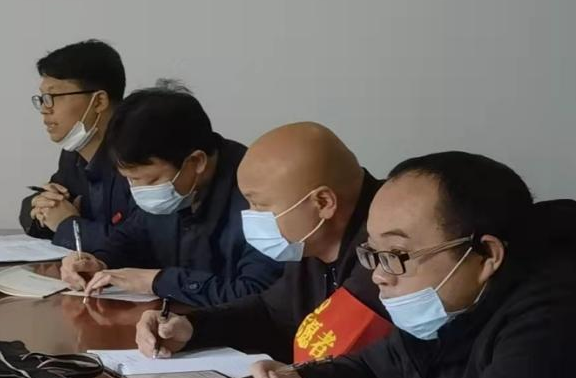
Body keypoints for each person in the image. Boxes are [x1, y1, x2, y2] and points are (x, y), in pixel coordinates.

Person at [243, 152, 576, 378]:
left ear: (487, 255)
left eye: (397, 255)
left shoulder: (553, 319)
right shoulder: (452, 308)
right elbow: (370, 371)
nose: (378, 276)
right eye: (373, 254)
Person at [135, 122, 391, 365]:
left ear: (323, 202)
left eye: (259, 205)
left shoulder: (387, 252)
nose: (249, 215)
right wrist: (190, 327)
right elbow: (272, 312)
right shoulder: (312, 239)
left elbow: (346, 359)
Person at [59, 83, 282, 307]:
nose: (140, 190)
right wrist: (98, 260)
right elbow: (132, 236)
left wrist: (158, 281)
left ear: (197, 161)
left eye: (152, 181)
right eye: (131, 180)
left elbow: (256, 294)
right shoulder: (175, 187)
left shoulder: (260, 196)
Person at [19, 40, 134, 252]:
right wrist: (41, 205)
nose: (45, 109)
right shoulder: (73, 155)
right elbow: (45, 203)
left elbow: (136, 246)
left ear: (99, 101)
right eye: (43, 98)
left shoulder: (139, 155)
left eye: (53, 97)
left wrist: (67, 224)